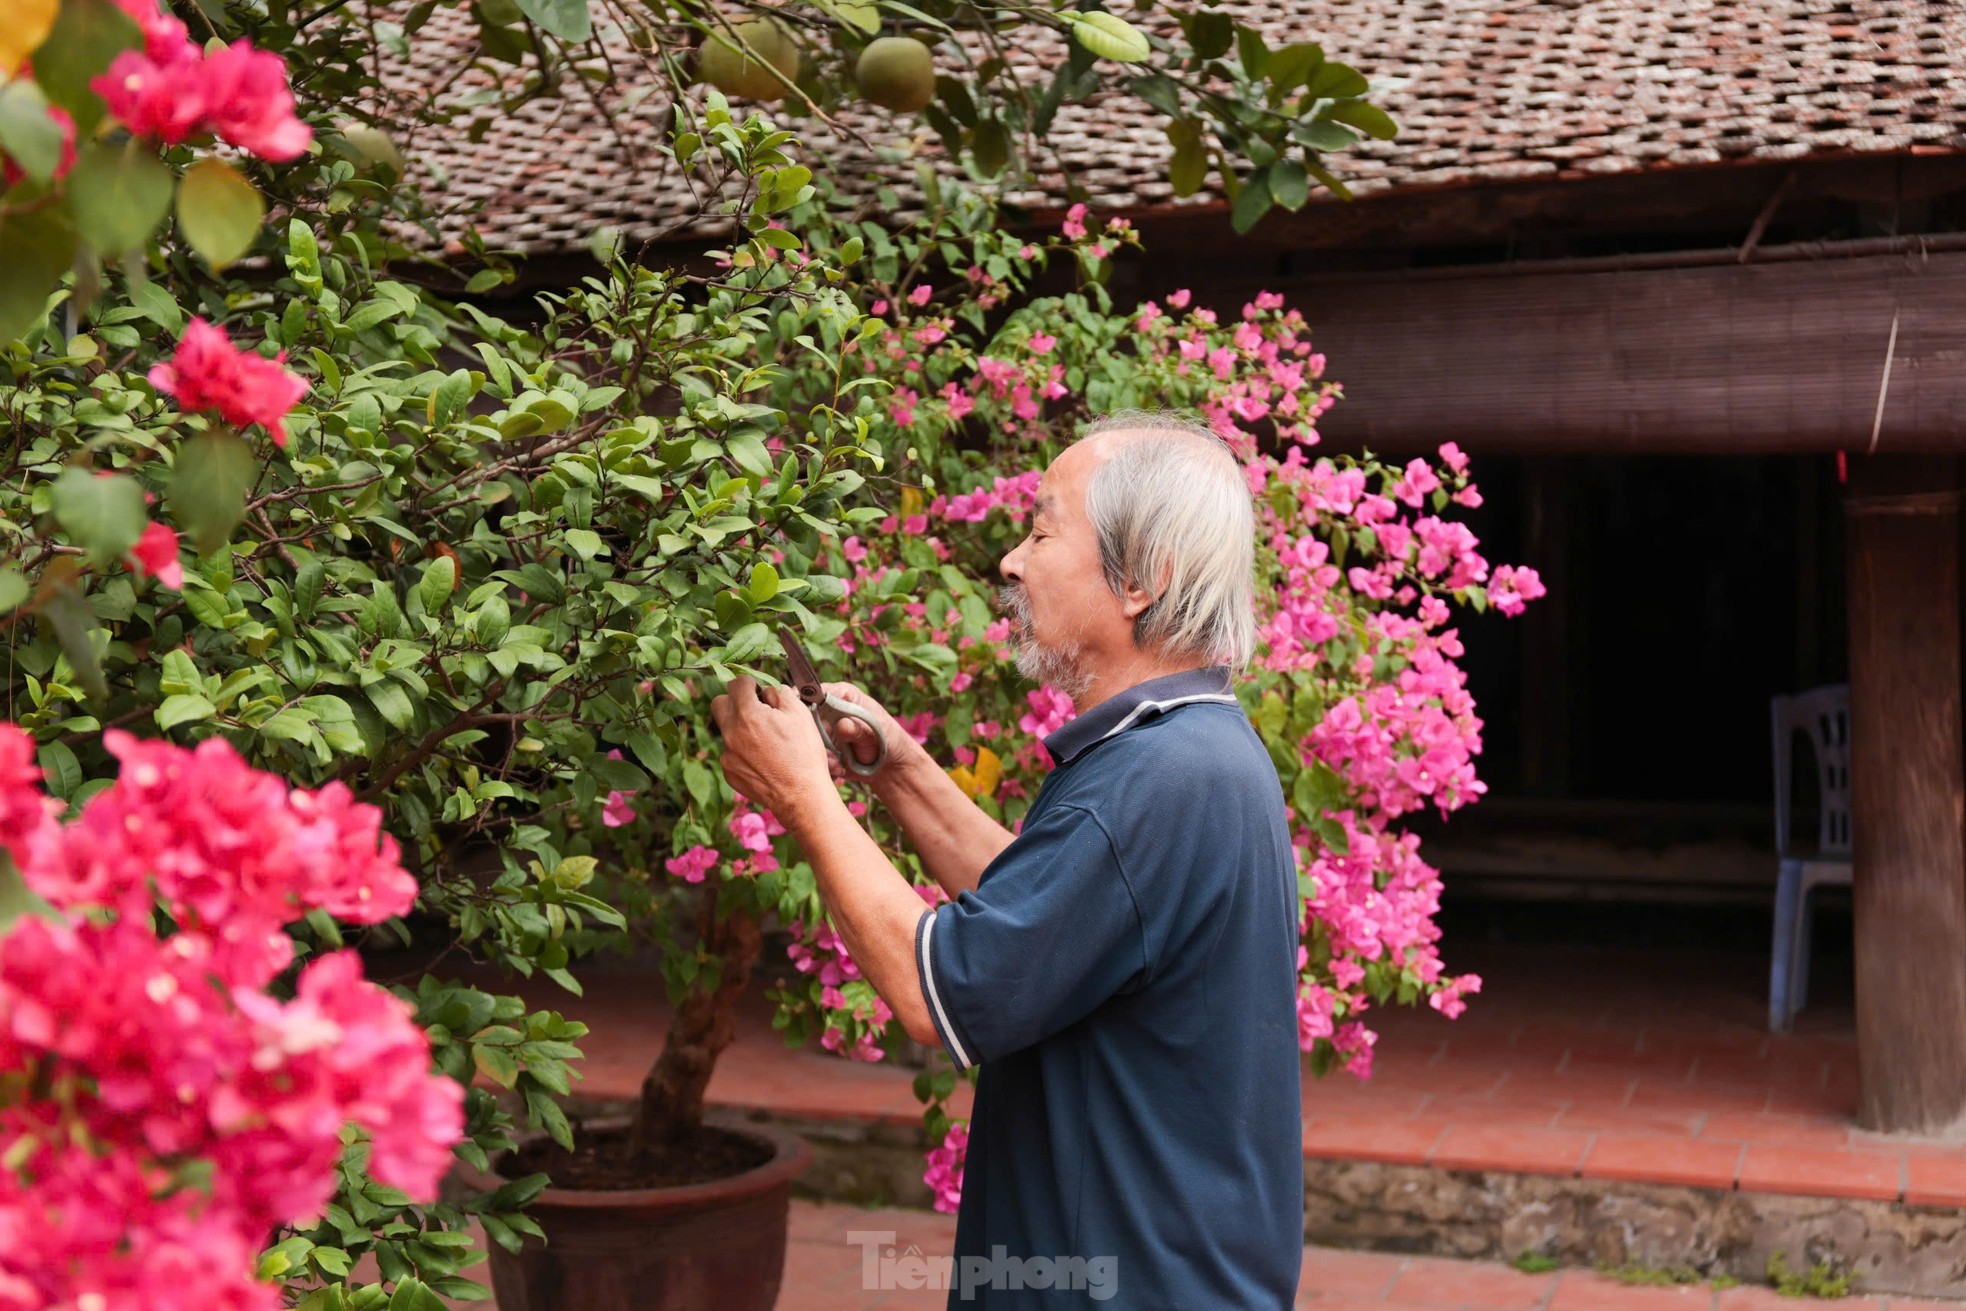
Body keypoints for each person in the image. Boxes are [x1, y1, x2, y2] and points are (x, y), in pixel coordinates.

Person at [712, 412, 1304, 1308]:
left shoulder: (1153, 781)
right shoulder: (1191, 748)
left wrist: (804, 794)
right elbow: (1043, 916)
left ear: (1142, 579)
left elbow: (940, 990)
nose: (1012, 561)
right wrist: (897, 771)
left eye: (1041, 528)